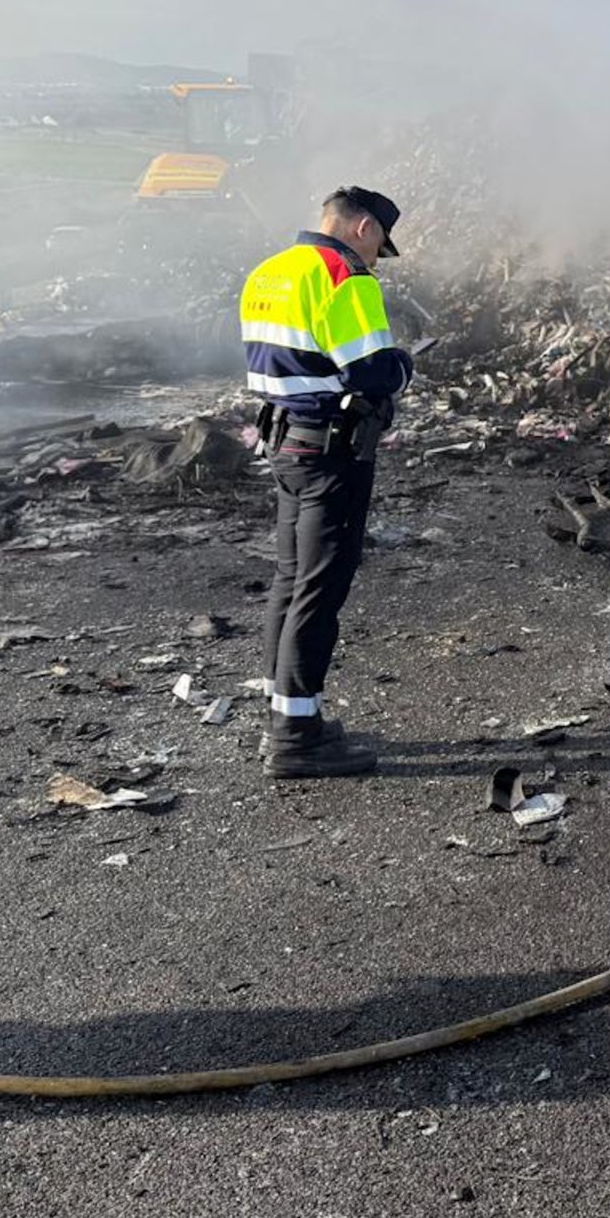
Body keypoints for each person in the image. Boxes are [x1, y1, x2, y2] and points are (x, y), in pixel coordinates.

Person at [238, 186, 415, 779]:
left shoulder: (272, 271)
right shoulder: (344, 276)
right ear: (364, 227)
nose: (374, 261)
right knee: (320, 587)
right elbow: (373, 371)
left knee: (291, 579)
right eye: (377, 247)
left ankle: (288, 711)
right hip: (330, 451)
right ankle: (295, 738)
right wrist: (404, 367)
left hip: (285, 442)